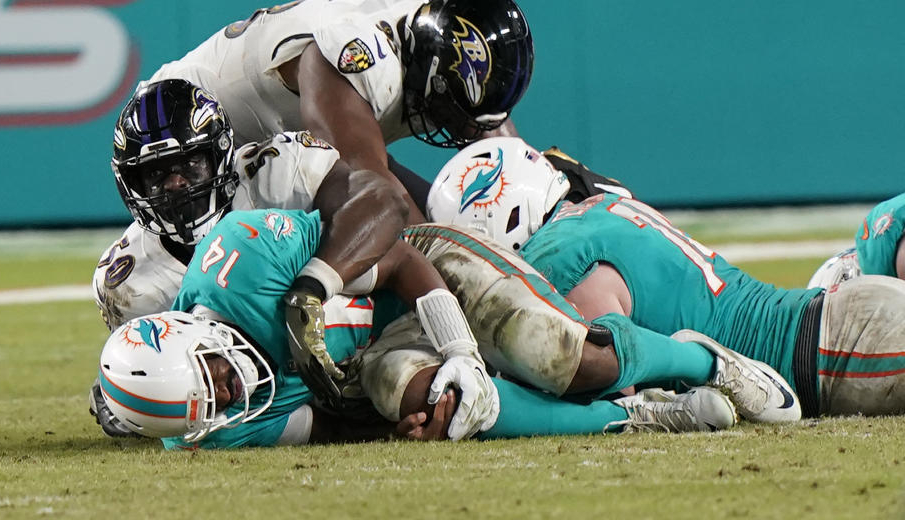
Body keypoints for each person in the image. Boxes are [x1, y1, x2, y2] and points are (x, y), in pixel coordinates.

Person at [99, 207, 778, 449]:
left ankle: (699, 362)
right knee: (442, 410)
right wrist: (419, 407)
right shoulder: (212, 430)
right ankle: (639, 417)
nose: (233, 392)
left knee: (559, 355)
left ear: (193, 333)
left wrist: (457, 348)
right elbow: (330, 424)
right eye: (212, 407)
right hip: (376, 351)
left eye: (215, 377)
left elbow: (390, 250)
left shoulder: (244, 260)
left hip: (425, 269)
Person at [91, 80, 498, 440]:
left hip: (409, 279)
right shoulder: (128, 283)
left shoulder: (277, 172)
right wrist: (128, 395)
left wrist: (313, 285)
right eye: (156, 174)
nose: (175, 186)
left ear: (220, 155)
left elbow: (384, 209)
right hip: (350, 373)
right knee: (437, 402)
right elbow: (171, 378)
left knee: (538, 344)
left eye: (189, 164)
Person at [428, 137, 905, 418]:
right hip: (838, 322)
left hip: (830, 352)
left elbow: (612, 380)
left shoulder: (558, 253)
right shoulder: (602, 207)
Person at [140, 0, 535, 221]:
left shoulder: (440, 25)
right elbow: (375, 199)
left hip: (298, 135)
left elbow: (505, 158)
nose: (464, 129)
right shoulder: (356, 57)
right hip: (188, 138)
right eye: (454, 112)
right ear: (427, 73)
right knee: (375, 240)